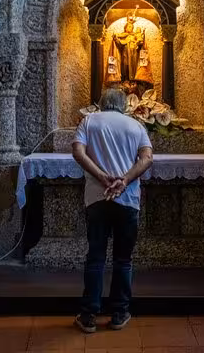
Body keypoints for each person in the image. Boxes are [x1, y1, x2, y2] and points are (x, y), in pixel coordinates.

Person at [71, 87, 153, 333]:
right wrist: (124, 180)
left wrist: (101, 176)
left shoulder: (89, 121)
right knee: (123, 260)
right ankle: (119, 313)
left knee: (95, 258)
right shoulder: (135, 125)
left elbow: (77, 151)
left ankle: (88, 316)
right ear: (124, 105)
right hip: (126, 200)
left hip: (97, 198)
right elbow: (147, 158)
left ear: (100, 103)